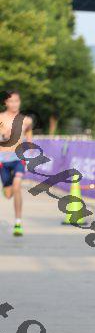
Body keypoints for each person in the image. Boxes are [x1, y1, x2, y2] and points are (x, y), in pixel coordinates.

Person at [0, 90, 32, 236]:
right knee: (8, 194)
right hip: (3, 159)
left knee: (17, 186)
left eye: (16, 101)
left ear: (20, 102)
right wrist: (3, 136)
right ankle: (7, 187)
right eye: (11, 101)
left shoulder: (26, 120)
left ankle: (18, 222)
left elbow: (29, 137)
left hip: (19, 158)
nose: (14, 104)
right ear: (5, 102)